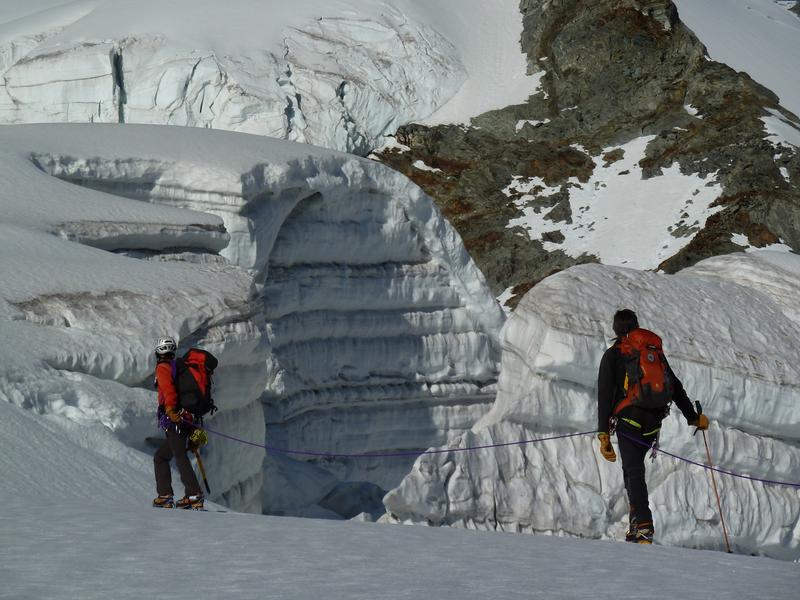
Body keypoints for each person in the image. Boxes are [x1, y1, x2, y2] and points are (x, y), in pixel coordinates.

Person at [596, 309, 709, 543]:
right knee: (632, 470)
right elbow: (675, 387)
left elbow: (604, 395)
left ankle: (644, 525)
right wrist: (693, 417)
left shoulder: (614, 354)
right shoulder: (653, 353)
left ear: (615, 329)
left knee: (633, 470)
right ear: (636, 326)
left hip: (628, 420)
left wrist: (603, 433)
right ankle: (635, 524)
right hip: (653, 423)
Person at [152, 336, 204, 509]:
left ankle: (193, 495)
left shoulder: (163, 367)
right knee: (161, 457)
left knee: (179, 455)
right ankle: (166, 495)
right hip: (187, 418)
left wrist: (170, 409)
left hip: (176, 419)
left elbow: (168, 390)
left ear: (158, 351)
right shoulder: (179, 367)